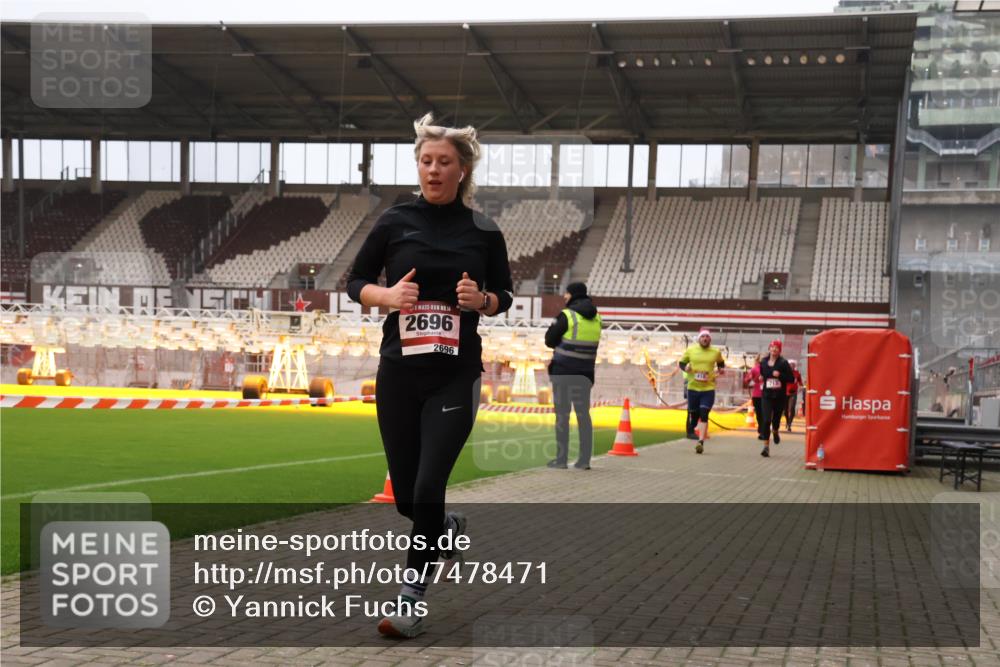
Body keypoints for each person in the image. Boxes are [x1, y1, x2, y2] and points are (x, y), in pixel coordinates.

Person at [346, 113, 513, 639]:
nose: (433, 170)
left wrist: (482, 300)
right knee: (407, 502)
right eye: (425, 161)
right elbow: (354, 282)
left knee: (428, 483)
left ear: (462, 170)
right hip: (399, 372)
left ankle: (410, 601)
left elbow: (505, 294)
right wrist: (387, 297)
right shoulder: (394, 221)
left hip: (455, 375)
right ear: (417, 166)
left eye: (444, 162)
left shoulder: (484, 231)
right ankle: (444, 528)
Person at [544, 282, 602, 470]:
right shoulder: (597, 318)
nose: (564, 297)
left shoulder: (567, 315)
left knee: (562, 417)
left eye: (566, 293)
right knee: (583, 416)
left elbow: (549, 340)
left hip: (563, 373)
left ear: (572, 295)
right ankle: (584, 460)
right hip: (585, 374)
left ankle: (561, 460)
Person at [678, 328, 726, 453]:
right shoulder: (691, 350)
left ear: (710, 339)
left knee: (704, 413)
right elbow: (681, 363)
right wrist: (686, 367)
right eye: (703, 337)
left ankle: (700, 442)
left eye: (707, 337)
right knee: (694, 415)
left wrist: (720, 369)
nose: (705, 339)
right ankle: (692, 427)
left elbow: (721, 363)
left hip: (708, 388)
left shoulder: (715, 351)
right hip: (693, 388)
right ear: (699, 339)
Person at [758, 339, 794, 457]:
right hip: (767, 395)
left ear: (780, 351)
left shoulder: (783, 363)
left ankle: (775, 431)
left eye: (777, 348)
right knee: (766, 420)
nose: (774, 349)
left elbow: (791, 378)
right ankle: (766, 446)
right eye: (772, 347)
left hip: (779, 396)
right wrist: (760, 377)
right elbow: (763, 374)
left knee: (776, 420)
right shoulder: (763, 361)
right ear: (769, 348)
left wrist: (780, 375)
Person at [744, 354, 765, 441]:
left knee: (762, 413)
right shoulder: (755, 369)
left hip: (764, 394)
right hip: (759, 394)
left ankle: (762, 430)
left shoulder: (768, 368)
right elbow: (747, 379)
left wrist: (749, 380)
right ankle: (762, 430)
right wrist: (750, 380)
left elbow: (746, 380)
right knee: (761, 413)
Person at [784, 359, 803, 432]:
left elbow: (800, 382)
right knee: (785, 410)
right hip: (785, 393)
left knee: (792, 408)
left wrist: (801, 386)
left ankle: (789, 424)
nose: (792, 366)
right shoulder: (785, 373)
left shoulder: (797, 373)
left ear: (795, 366)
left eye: (793, 364)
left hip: (793, 393)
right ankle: (787, 420)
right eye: (790, 364)